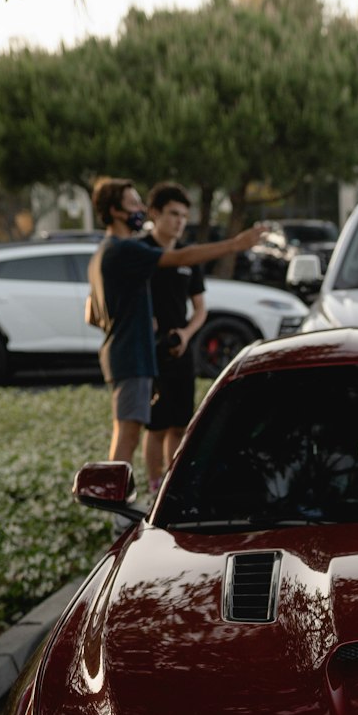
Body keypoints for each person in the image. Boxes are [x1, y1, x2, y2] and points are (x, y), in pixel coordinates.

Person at [87, 177, 265, 469]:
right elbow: (180, 256)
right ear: (115, 211)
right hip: (133, 356)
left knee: (133, 431)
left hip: (126, 354)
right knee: (129, 435)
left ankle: (122, 504)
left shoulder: (105, 252)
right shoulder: (124, 249)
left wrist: (136, 318)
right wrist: (236, 244)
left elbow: (91, 313)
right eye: (133, 203)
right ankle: (118, 511)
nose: (141, 209)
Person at [143, 182, 208, 493]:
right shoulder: (140, 252)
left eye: (184, 215)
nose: (179, 221)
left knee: (180, 425)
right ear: (155, 214)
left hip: (181, 349)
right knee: (155, 426)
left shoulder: (188, 257)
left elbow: (200, 310)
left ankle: (171, 488)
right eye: (173, 214)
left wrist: (186, 333)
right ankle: (154, 486)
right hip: (149, 352)